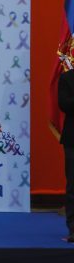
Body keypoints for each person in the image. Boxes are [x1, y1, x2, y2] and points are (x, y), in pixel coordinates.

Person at [59, 68, 74, 243]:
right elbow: (63, 104)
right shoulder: (67, 78)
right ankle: (73, 229)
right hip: (72, 139)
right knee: (72, 186)